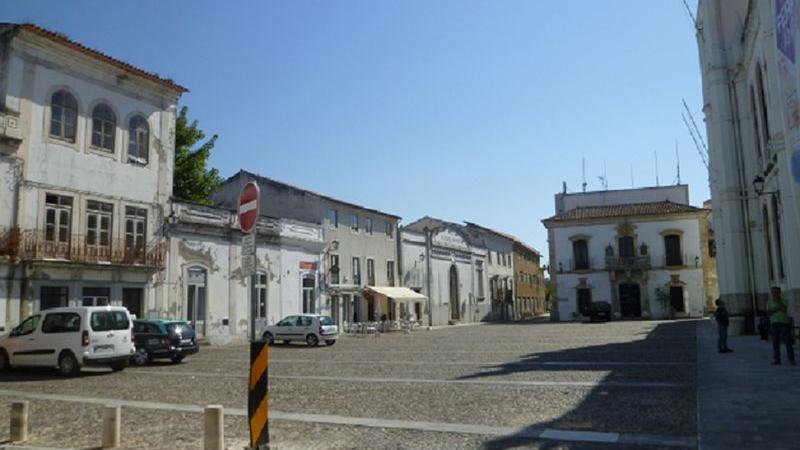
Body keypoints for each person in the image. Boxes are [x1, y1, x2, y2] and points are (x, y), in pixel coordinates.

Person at [767, 286, 795, 365]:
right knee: (775, 343)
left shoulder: (784, 300)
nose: (774, 294)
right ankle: (777, 359)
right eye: (773, 292)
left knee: (788, 342)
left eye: (776, 292)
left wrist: (777, 305)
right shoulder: (769, 302)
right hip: (774, 323)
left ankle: (791, 359)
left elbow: (784, 308)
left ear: (779, 293)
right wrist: (778, 308)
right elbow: (769, 313)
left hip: (784, 323)